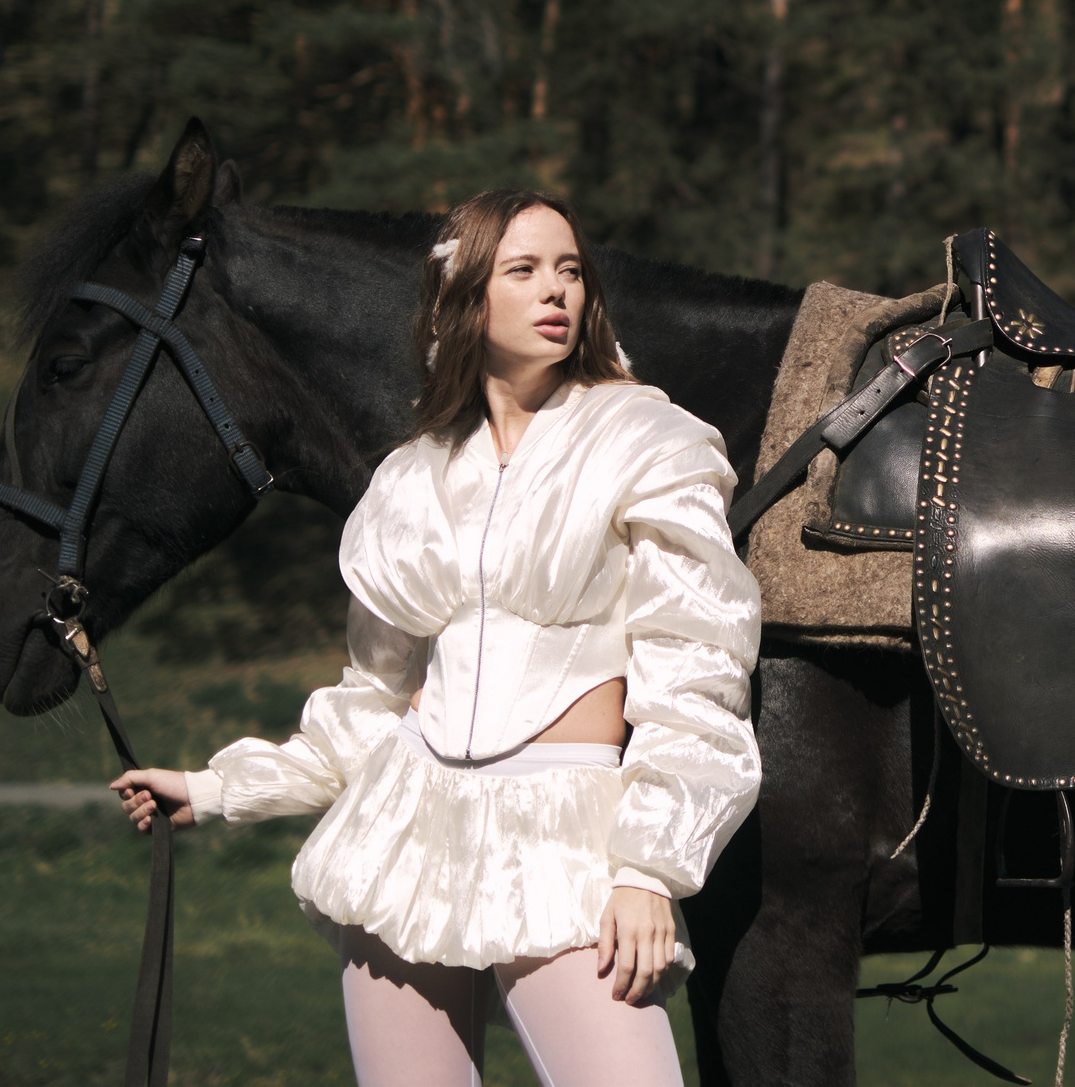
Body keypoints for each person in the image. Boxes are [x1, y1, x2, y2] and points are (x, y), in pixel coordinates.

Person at [111, 190, 760, 1087]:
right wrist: (217, 786)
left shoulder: (648, 441)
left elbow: (698, 669)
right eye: (524, 270)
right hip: (407, 834)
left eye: (570, 269)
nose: (556, 291)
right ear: (465, 298)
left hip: (565, 841)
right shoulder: (410, 478)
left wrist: (650, 869)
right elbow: (371, 699)